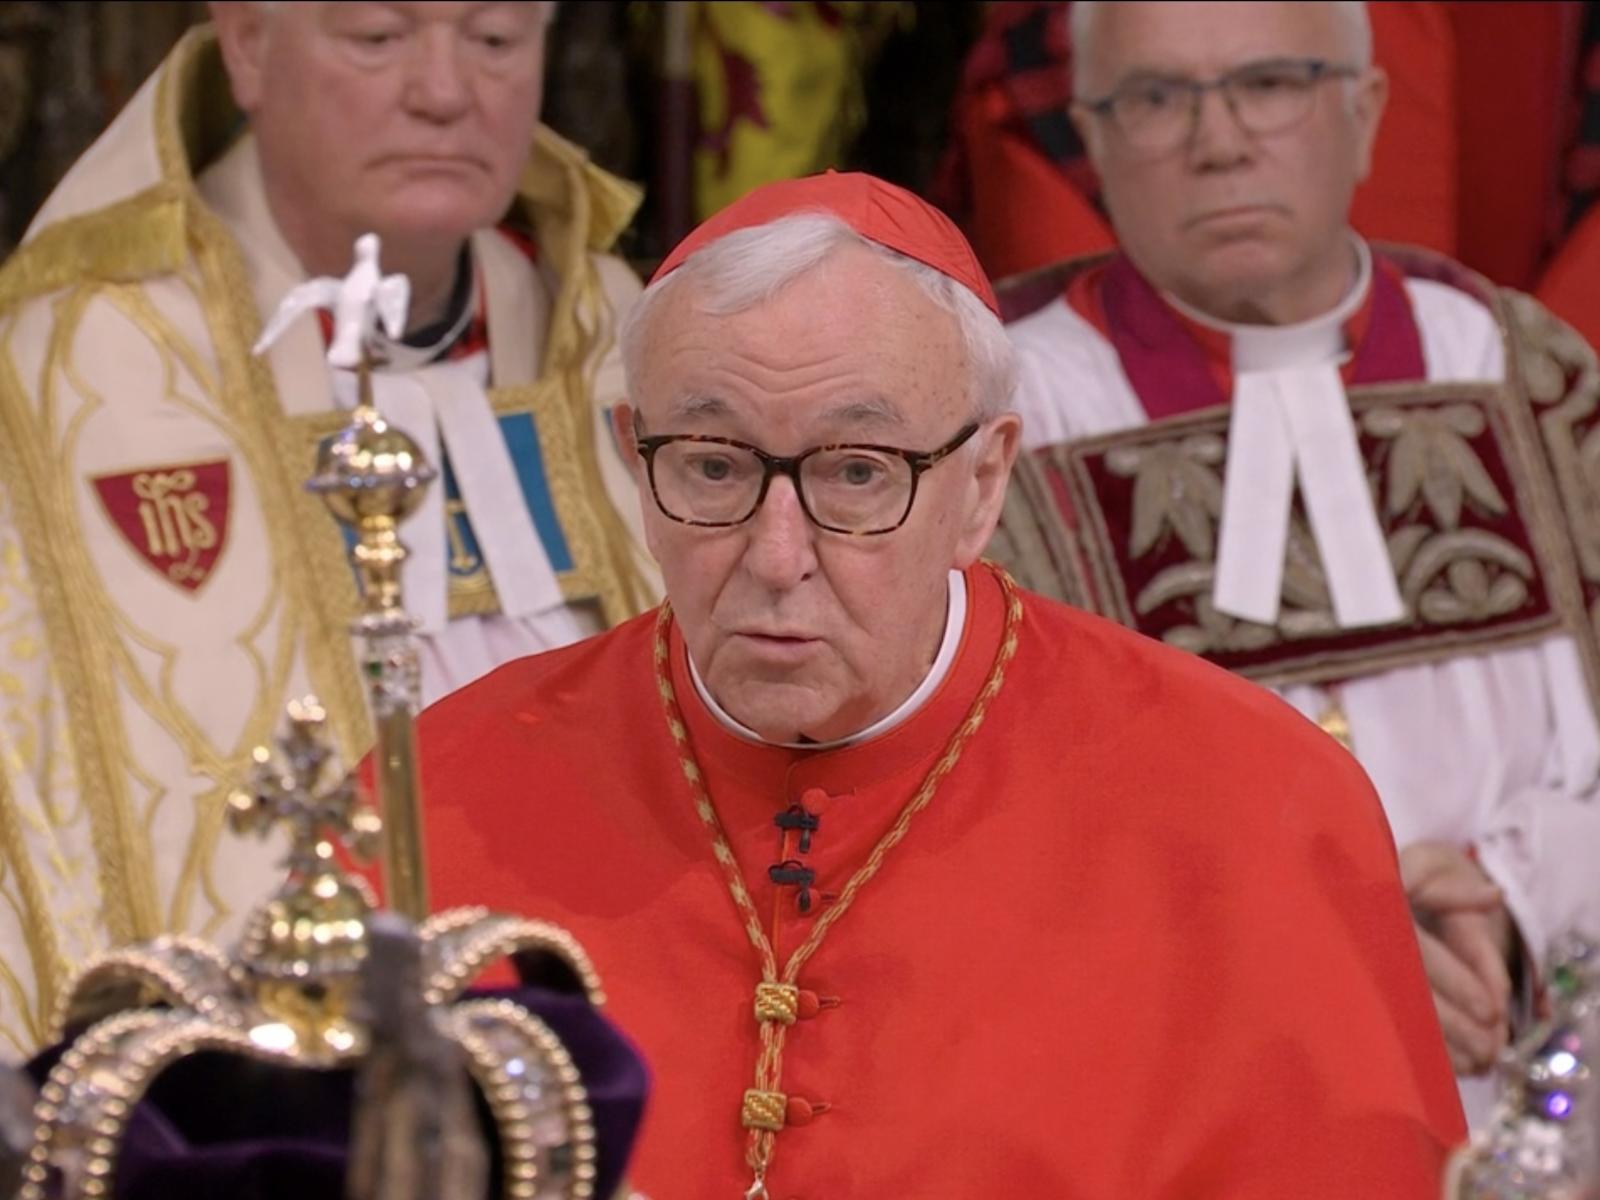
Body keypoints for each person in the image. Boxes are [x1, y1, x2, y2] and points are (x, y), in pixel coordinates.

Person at [413, 170, 1465, 1196]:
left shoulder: (1252, 808)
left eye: (857, 472)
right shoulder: (442, 795)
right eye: (714, 465)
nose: (777, 556)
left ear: (981, 484)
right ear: (635, 464)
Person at [0, 1, 658, 1057]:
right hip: (259, 1082)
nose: (444, 91)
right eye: (378, 37)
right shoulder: (61, 374)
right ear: (248, 47)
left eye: (494, 39)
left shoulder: (619, 334)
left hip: (614, 1031)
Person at [999, 0, 1600, 1125]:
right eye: (1156, 98)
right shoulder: (1002, 413)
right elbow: (991, 814)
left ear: (1364, 113)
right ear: (1093, 136)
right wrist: (1326, 933)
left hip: (1542, 1052)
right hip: (1198, 1082)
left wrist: (1510, 896)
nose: (1219, 142)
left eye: (1270, 84)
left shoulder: (1514, 367)